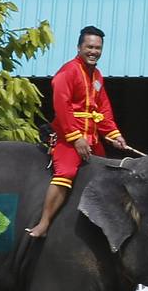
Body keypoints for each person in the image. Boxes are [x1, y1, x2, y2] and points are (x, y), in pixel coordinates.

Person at [27, 26, 128, 238]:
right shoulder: (68, 71)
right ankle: (44, 223)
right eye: (89, 47)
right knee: (66, 173)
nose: (94, 51)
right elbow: (61, 106)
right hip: (67, 136)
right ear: (79, 47)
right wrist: (75, 138)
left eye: (98, 48)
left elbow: (102, 109)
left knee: (105, 172)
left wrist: (113, 134)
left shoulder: (97, 75)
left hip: (91, 136)